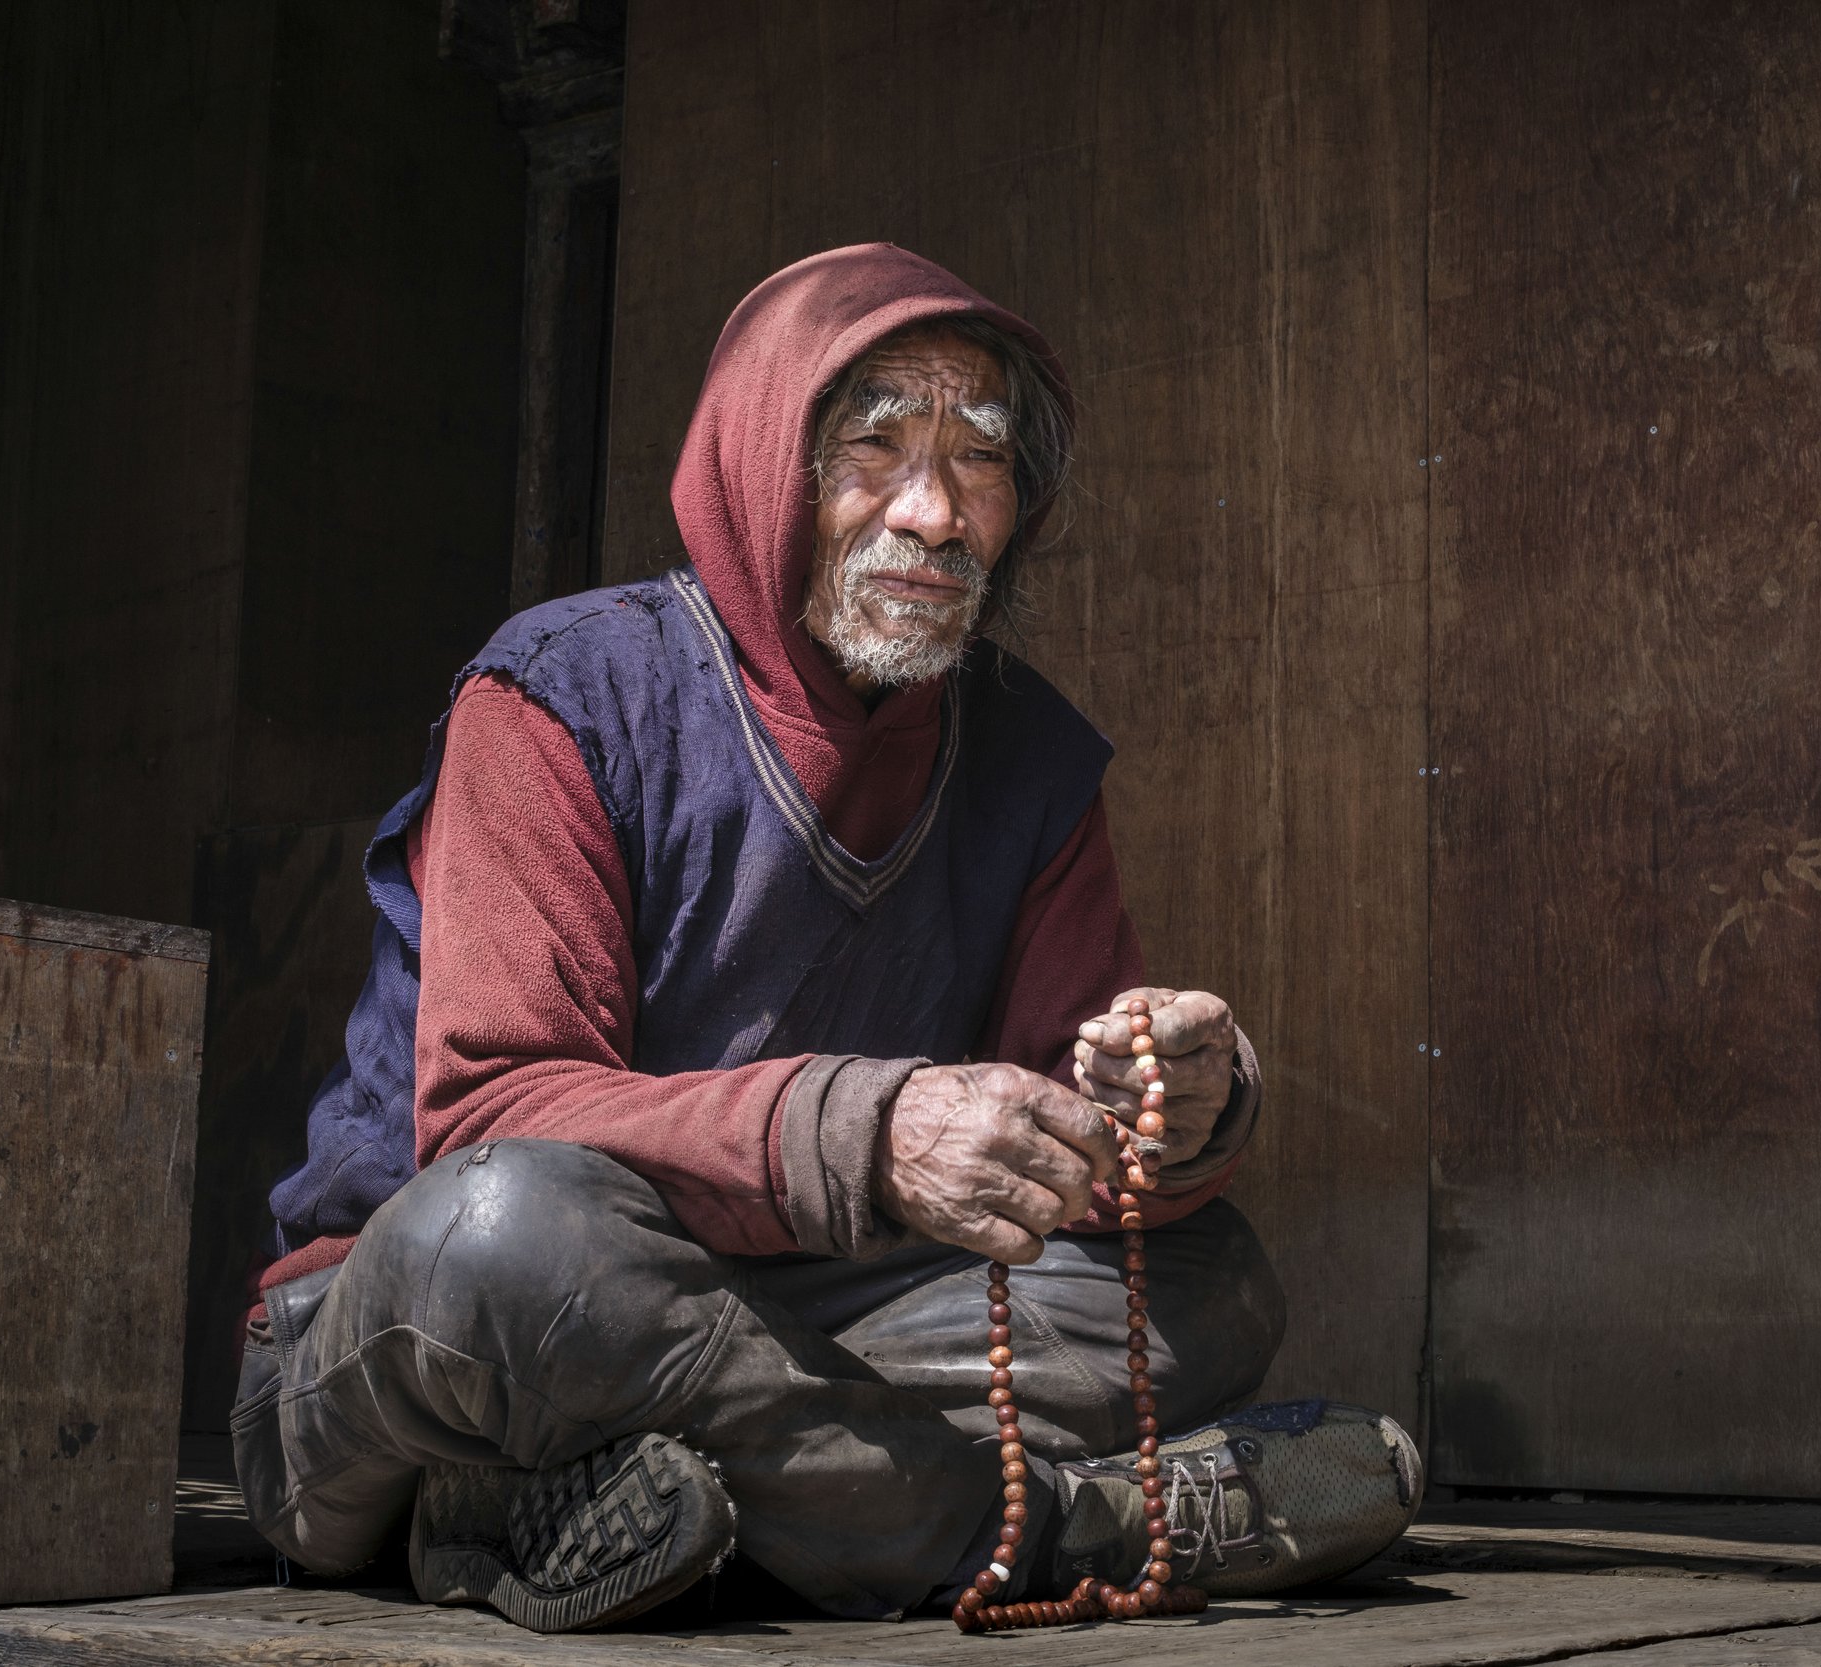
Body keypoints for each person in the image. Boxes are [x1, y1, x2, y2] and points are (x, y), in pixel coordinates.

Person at [232, 243, 1423, 1632]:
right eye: (873, 448)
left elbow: (1073, 1177)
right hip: (423, 1352)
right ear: (761, 462)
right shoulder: (561, 698)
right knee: (499, 1239)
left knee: (1210, 1293)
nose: (932, 512)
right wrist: (870, 1131)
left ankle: (586, 1509)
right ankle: (1089, 1525)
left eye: (978, 460)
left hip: (781, 1336)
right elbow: (496, 1115)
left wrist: (1173, 1111)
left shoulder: (1025, 762)